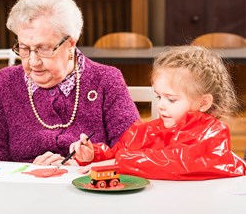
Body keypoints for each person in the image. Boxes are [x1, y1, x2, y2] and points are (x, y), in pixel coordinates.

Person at [0, 0, 139, 165]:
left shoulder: (106, 80)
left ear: (70, 44)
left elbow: (131, 151)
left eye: (43, 49)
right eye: (24, 48)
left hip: (87, 187)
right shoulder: (5, 82)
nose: (33, 61)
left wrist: (80, 166)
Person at [70, 45, 246, 180]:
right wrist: (94, 155)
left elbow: (176, 161)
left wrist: (119, 163)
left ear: (204, 102)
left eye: (171, 99)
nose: (161, 105)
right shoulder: (148, 131)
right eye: (158, 96)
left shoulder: (214, 135)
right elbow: (119, 153)